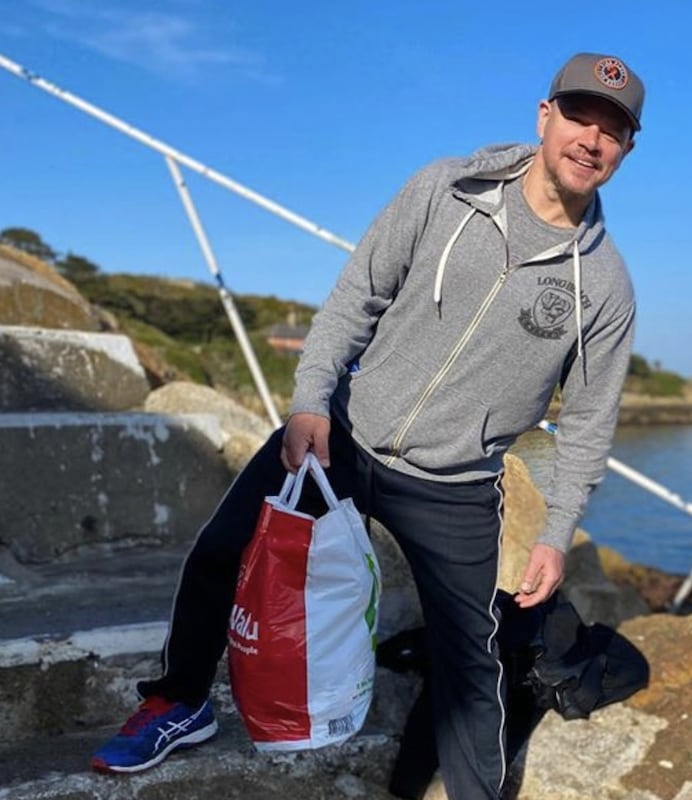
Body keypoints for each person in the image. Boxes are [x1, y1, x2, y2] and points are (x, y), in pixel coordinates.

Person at [91, 51, 645, 800]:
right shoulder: (445, 188)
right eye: (580, 117)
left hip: (455, 487)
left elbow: (587, 420)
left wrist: (557, 530)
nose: (592, 139)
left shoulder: (604, 284)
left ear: (626, 150)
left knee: (472, 668)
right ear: (545, 118)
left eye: (613, 130)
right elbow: (357, 297)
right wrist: (311, 398)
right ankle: (179, 699)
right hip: (343, 435)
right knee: (223, 551)